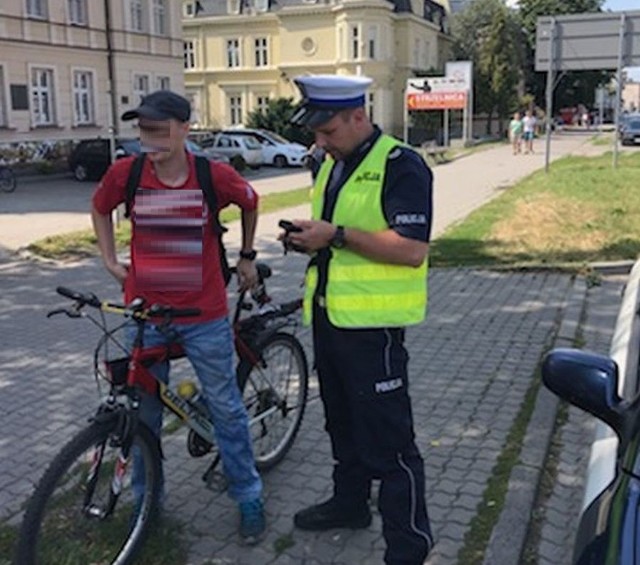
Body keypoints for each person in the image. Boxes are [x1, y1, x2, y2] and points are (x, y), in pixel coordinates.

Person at [90, 90, 266, 544]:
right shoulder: (125, 173)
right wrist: (110, 261)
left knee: (226, 409)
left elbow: (250, 201)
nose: (150, 137)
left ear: (184, 128)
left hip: (203, 315)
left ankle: (249, 496)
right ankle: (149, 506)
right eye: (143, 128)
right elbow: (99, 207)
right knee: (143, 416)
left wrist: (247, 256)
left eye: (159, 128)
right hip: (145, 314)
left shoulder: (213, 175)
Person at [284, 75, 434, 565]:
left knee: (391, 449)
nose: (319, 142)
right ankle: (350, 505)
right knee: (342, 426)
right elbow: (334, 234)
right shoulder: (333, 164)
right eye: (316, 133)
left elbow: (412, 250)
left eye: (328, 131)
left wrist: (336, 235)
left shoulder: (401, 164)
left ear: (358, 117)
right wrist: (309, 238)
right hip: (330, 321)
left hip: (373, 334)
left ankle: (409, 549)